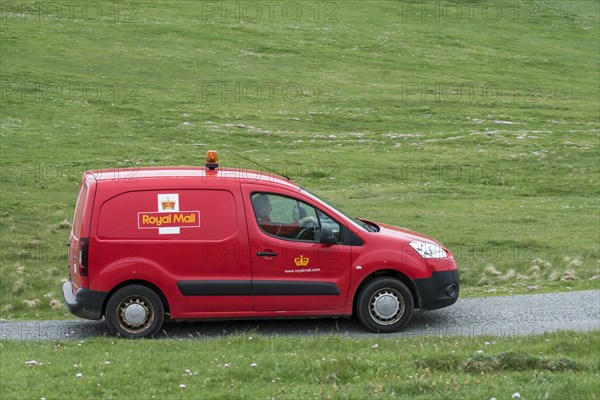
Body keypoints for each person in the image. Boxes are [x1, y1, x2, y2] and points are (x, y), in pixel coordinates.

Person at [252, 194, 316, 238]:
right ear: (262, 208)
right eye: (269, 206)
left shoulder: (260, 221)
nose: (271, 209)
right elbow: (285, 230)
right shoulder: (262, 224)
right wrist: (304, 220)